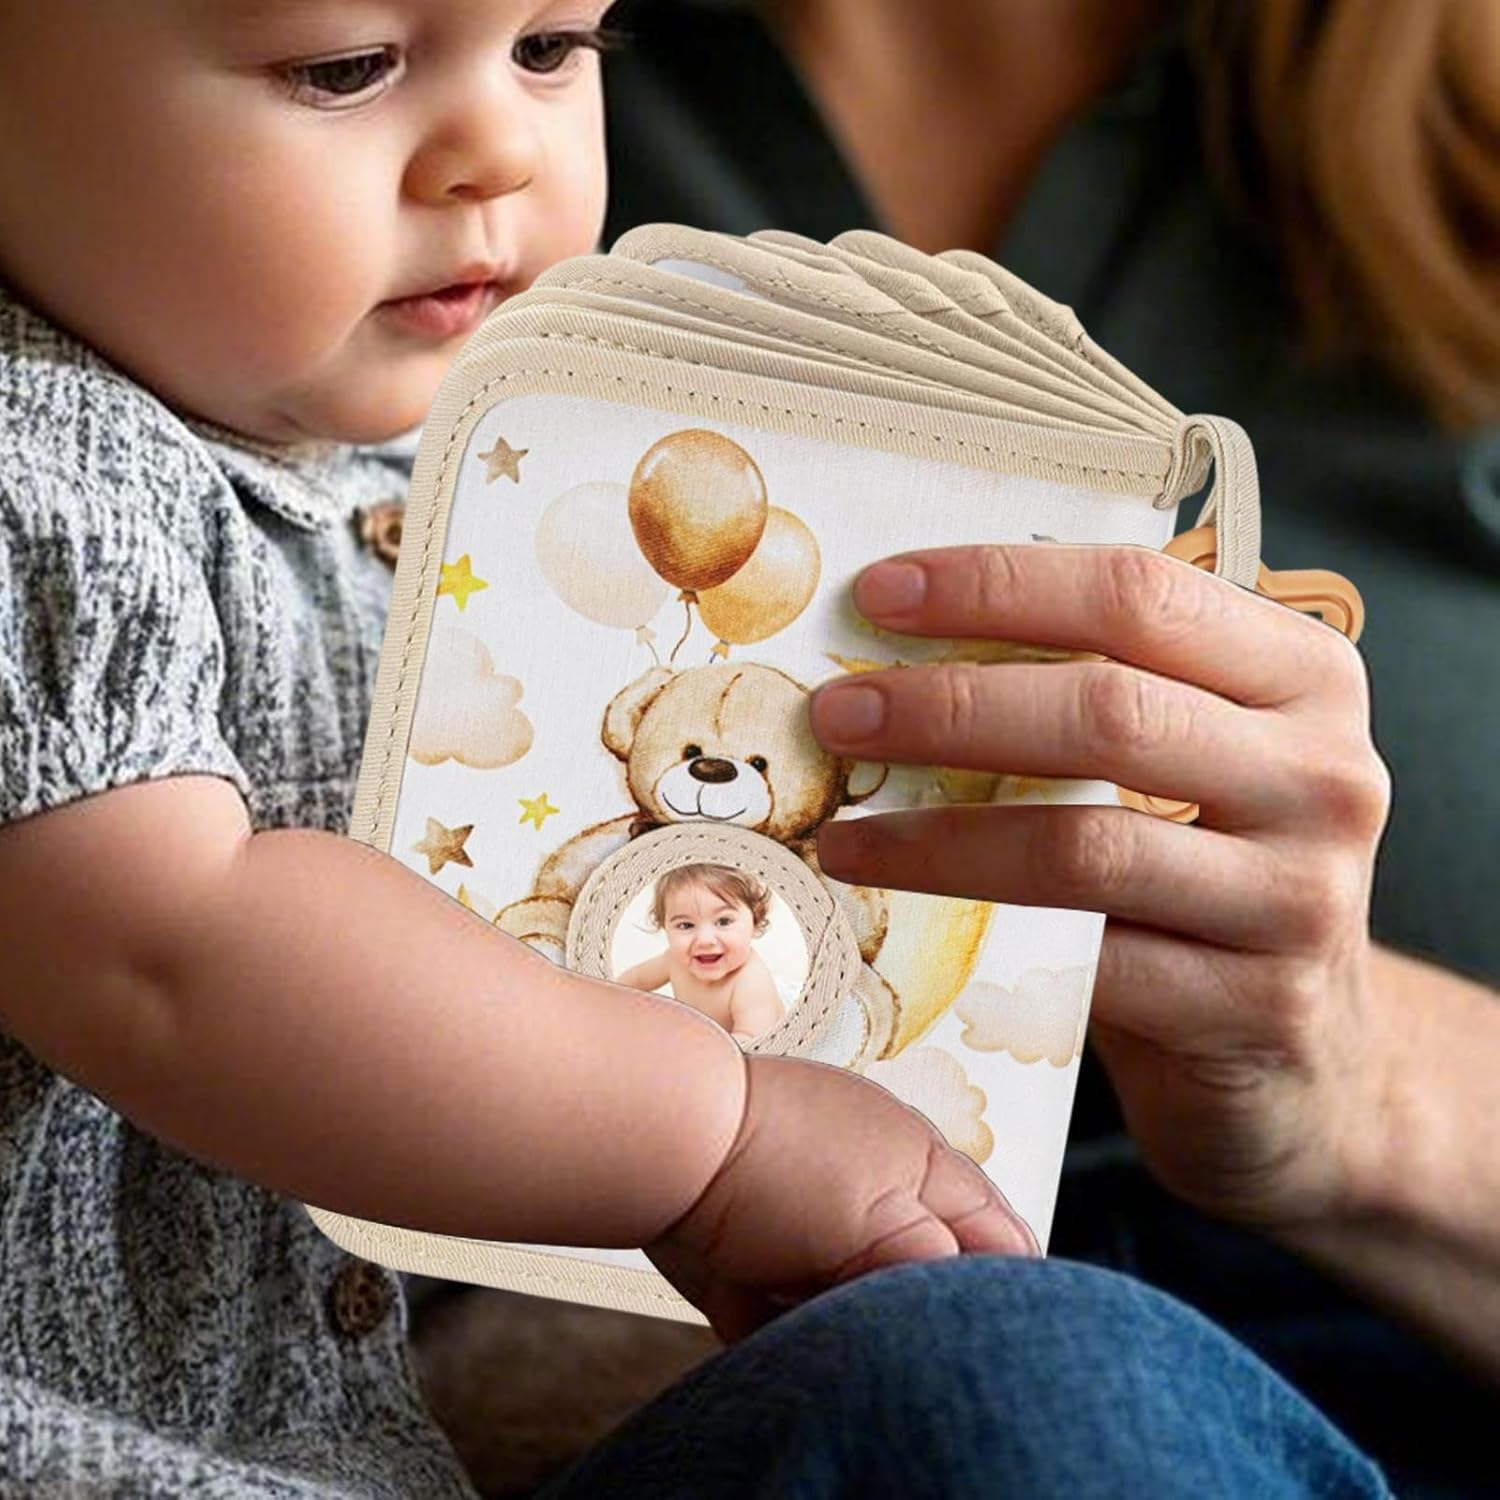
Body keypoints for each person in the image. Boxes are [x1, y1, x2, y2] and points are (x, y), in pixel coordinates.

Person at [0, 2, 1043, 1494]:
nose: (497, 148)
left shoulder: (440, 459)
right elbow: (175, 951)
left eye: (550, 48)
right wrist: (717, 1135)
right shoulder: (36, 479)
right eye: (345, 67)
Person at [587, 0, 1500, 1492]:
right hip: (669, 1385)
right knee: (1020, 1386)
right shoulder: (407, 94)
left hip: (1391, 1378)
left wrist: (1364, 1080)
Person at [616, 864, 788, 1043]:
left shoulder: (752, 982)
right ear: (664, 927)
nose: (705, 940)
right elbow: (635, 980)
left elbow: (754, 1042)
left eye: (723, 921)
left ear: (756, 920)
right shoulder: (674, 960)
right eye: (686, 925)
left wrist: (691, 1046)